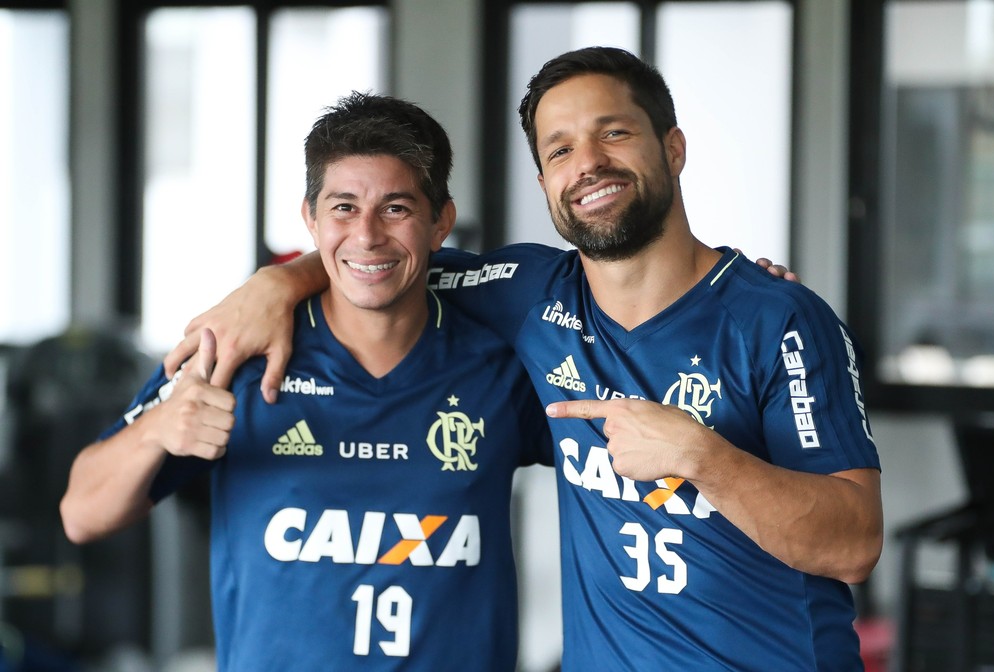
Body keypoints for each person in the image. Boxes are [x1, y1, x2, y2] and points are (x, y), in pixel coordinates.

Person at [166, 48, 883, 670]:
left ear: (673, 149)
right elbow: (381, 258)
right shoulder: (530, 294)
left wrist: (704, 456)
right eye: (560, 149)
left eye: (615, 133)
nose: (589, 163)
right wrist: (275, 283)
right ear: (544, 184)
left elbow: (854, 543)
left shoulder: (779, 319)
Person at [59, 92, 553, 671]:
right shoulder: (239, 355)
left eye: (396, 208)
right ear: (310, 219)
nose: (367, 235)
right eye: (343, 208)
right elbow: (81, 513)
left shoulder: (499, 364)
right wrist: (158, 430)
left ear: (441, 221)